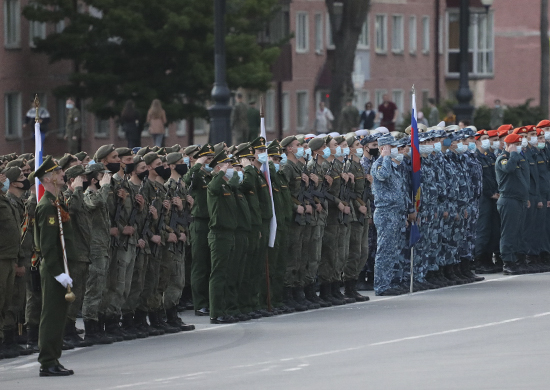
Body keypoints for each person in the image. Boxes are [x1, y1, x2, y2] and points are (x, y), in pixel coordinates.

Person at [32, 156, 76, 376]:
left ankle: (54, 358)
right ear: (48, 178)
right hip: (53, 269)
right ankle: (47, 362)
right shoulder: (47, 206)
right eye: (58, 172)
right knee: (51, 315)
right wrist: (59, 273)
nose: (62, 174)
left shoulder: (56, 202)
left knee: (59, 315)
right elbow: (48, 246)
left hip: (60, 267)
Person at [495, 133, 530, 275]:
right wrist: (513, 153)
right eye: (516, 144)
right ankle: (507, 262)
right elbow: (508, 169)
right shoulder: (503, 159)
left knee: (517, 232)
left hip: (518, 200)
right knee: (508, 233)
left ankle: (515, 259)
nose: (519, 147)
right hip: (508, 200)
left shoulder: (517, 158)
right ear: (508, 145)